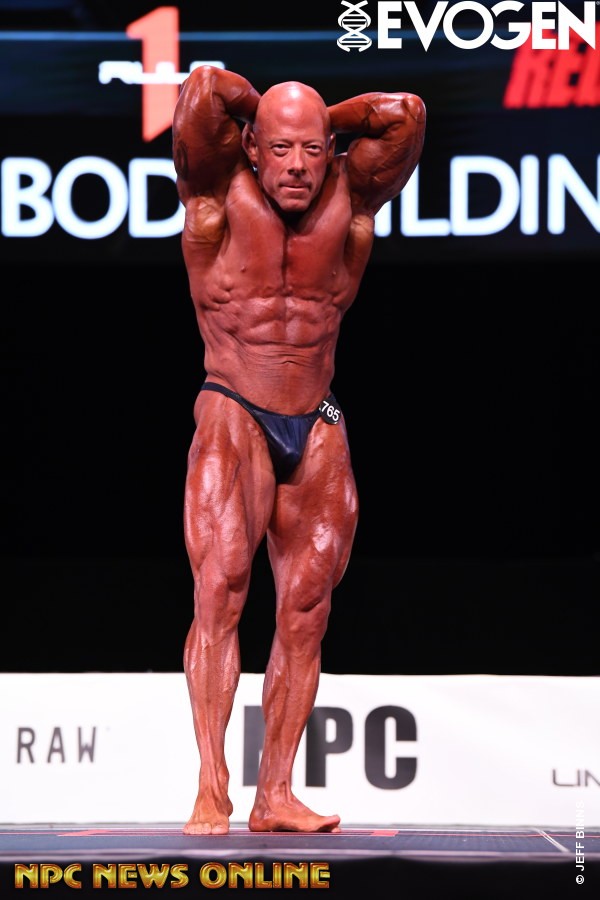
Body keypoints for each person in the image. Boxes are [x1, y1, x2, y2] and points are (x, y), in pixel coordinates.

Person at [172, 65, 426, 835]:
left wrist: (320, 119)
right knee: (221, 592)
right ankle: (211, 782)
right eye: (279, 149)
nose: (296, 166)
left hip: (316, 419)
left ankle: (274, 792)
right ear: (252, 147)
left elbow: (407, 114)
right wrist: (268, 113)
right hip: (234, 408)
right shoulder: (216, 192)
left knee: (307, 613)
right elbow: (204, 90)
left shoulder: (354, 195)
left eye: (312, 150)